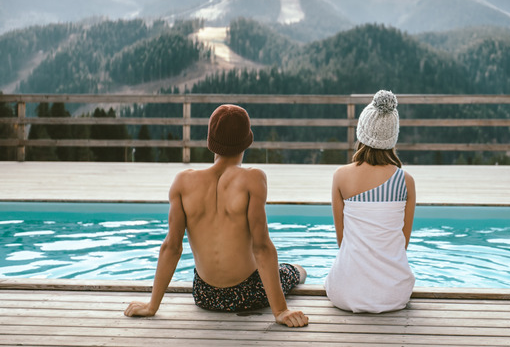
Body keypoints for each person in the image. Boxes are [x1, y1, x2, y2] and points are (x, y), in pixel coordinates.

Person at [124, 104, 308, 327]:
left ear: (210, 142)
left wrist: (151, 305)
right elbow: (261, 248)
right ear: (247, 141)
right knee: (297, 270)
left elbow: (171, 247)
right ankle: (293, 274)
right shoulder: (253, 179)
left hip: (205, 295)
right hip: (250, 293)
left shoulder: (182, 181)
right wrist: (280, 310)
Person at [325, 90, 416, 313]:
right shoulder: (406, 181)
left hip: (344, 292)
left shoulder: (340, 176)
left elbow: (342, 241)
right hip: (394, 294)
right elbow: (401, 245)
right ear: (392, 137)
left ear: (362, 132)